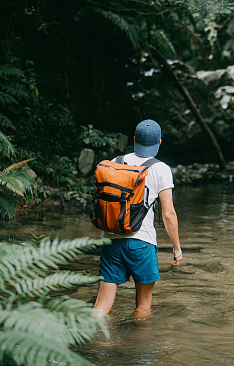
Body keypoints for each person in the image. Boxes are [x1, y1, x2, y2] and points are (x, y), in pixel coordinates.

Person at [93, 119, 183, 319]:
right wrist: (177, 248)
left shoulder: (115, 162)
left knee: (101, 306)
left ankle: (94, 346)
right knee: (143, 307)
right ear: (159, 143)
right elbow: (168, 214)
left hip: (111, 239)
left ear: (134, 140)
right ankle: (137, 348)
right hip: (142, 242)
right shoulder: (161, 169)